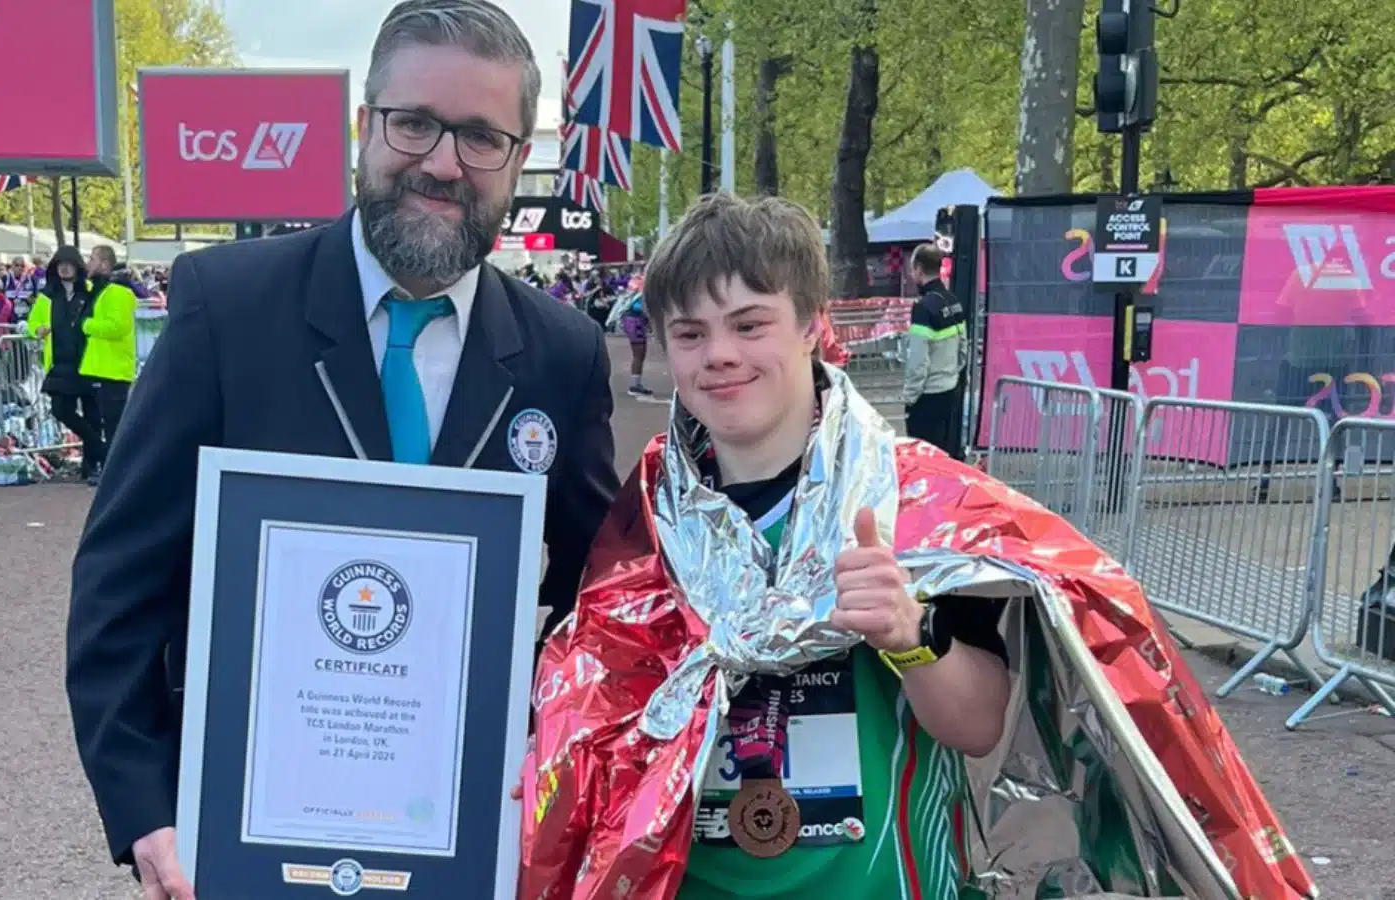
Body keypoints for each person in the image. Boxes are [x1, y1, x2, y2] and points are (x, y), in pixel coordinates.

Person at [520, 194, 1318, 900]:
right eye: (690, 333)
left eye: (749, 323)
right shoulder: (647, 521)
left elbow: (978, 728)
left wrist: (912, 636)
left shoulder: (925, 508)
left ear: (812, 328)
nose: (719, 354)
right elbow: (601, 714)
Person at [65, 2, 620, 897]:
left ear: (519, 159)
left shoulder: (560, 354)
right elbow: (121, 583)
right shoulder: (227, 307)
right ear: (367, 126)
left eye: (481, 136)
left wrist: (544, 743)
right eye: (415, 124)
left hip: (467, 827)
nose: (443, 162)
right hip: (248, 825)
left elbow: (598, 591)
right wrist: (144, 808)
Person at [27, 246, 108, 482]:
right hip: (60, 363)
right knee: (61, 410)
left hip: (88, 361)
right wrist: (36, 330)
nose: (64, 267)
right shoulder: (46, 296)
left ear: (77, 266)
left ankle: (91, 465)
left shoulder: (91, 291)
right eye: (60, 263)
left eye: (68, 263)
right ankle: (101, 450)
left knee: (93, 415)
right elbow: (32, 324)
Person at [901, 243, 967, 460]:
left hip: (927, 398)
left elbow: (918, 360)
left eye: (912, 270)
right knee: (946, 460)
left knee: (925, 462)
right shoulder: (954, 301)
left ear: (919, 269)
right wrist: (952, 374)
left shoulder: (923, 308)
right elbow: (963, 349)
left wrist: (910, 397)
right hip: (950, 391)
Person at [84, 244, 141, 479]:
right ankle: (99, 465)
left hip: (113, 369)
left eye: (92, 259)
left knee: (114, 424)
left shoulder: (119, 292)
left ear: (105, 264)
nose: (88, 263)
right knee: (96, 421)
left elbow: (117, 327)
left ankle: (115, 470)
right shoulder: (95, 290)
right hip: (96, 366)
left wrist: (85, 326)